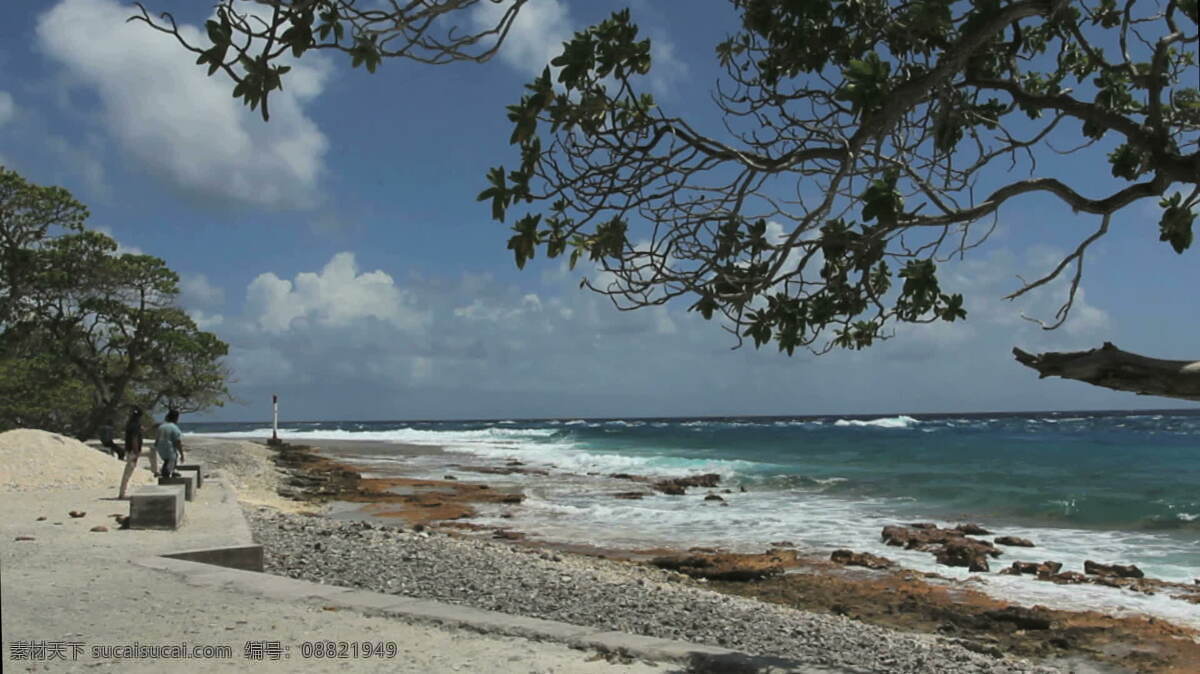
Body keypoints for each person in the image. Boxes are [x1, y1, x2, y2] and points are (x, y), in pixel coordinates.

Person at [117, 407, 156, 499]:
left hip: (131, 450)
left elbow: (144, 429)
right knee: (128, 472)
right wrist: (136, 453)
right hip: (133, 451)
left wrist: (153, 427)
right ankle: (122, 494)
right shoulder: (135, 426)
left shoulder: (132, 424)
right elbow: (134, 439)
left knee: (151, 452)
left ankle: (155, 471)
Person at [155, 409, 185, 478]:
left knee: (167, 461)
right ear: (176, 418)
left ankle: (171, 471)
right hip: (169, 449)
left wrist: (156, 446)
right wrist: (182, 454)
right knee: (173, 458)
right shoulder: (174, 427)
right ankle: (168, 472)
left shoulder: (161, 427)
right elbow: (178, 442)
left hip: (160, 449)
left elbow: (157, 439)